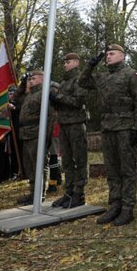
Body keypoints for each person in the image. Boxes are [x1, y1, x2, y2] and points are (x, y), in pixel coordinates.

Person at [79, 44, 137, 226]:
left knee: (127, 169)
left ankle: (127, 208)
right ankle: (114, 205)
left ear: (122, 56)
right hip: (107, 127)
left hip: (125, 127)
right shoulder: (103, 77)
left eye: (111, 53)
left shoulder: (131, 75)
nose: (107, 57)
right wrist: (90, 65)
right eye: (106, 54)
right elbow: (82, 82)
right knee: (112, 169)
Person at [49, 52, 89, 209]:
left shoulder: (79, 80)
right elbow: (62, 103)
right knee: (66, 160)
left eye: (68, 62)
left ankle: (79, 193)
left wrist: (58, 98)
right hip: (64, 124)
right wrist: (54, 101)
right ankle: (69, 192)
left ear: (76, 63)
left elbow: (78, 101)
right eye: (64, 62)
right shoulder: (65, 82)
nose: (65, 64)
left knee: (79, 159)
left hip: (76, 124)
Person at [14, 71, 57, 205]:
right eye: (29, 79)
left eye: (33, 78)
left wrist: (46, 136)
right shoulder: (29, 95)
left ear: (42, 79)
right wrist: (22, 83)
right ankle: (33, 192)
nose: (30, 81)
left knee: (39, 164)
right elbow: (16, 98)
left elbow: (51, 116)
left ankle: (40, 194)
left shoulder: (44, 94)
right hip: (26, 134)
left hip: (38, 133)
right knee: (29, 166)